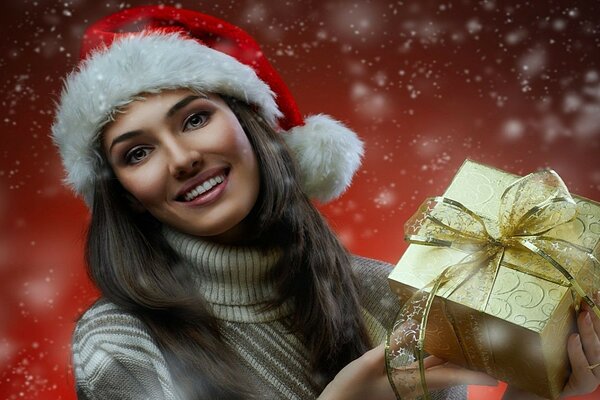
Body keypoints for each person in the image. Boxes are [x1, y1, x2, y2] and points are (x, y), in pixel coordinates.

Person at [51, 5, 600, 400]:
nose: (180, 158)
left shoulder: (389, 298)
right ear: (129, 196)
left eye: (195, 119)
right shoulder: (118, 347)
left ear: (254, 129)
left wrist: (536, 389)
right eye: (138, 152)